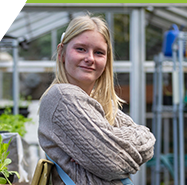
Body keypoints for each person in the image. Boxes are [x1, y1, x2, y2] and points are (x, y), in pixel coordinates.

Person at [38, 14, 156, 185]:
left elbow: (149, 141)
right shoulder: (62, 97)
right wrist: (110, 146)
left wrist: (105, 145)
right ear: (61, 53)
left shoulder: (97, 102)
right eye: (80, 49)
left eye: (99, 52)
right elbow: (112, 161)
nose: (90, 58)